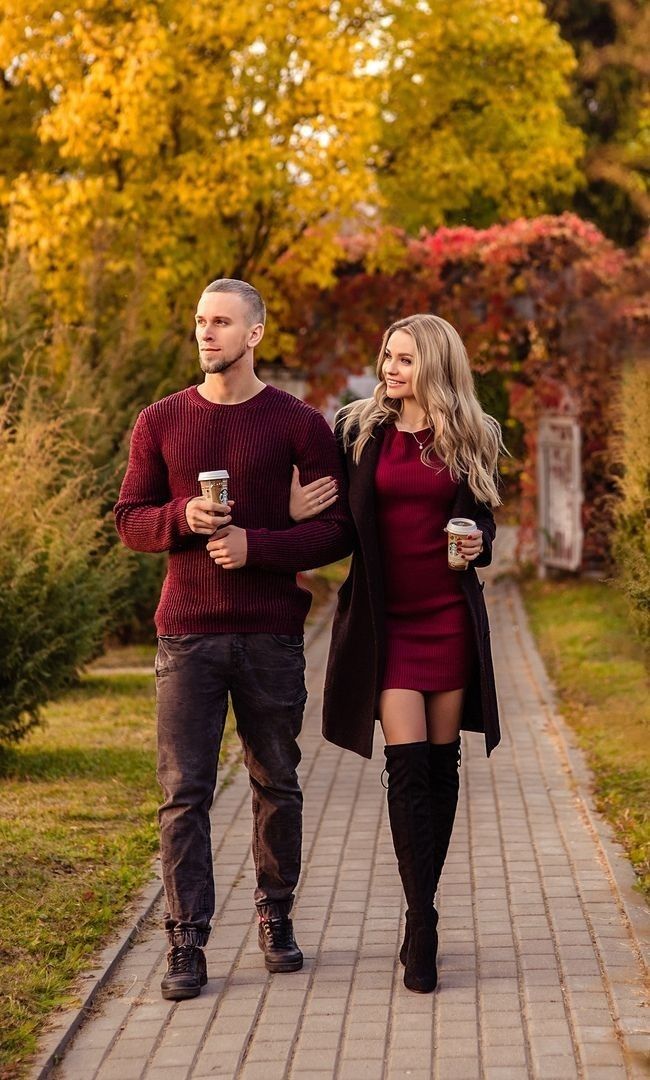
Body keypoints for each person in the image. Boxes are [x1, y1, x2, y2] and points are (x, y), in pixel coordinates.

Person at [114, 278, 351, 1001]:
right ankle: (186, 942)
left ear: (254, 333)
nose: (206, 333)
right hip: (186, 634)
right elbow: (129, 518)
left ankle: (276, 918)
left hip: (271, 634)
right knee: (183, 793)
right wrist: (183, 516)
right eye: (199, 322)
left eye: (221, 322)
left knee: (276, 782)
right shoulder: (159, 421)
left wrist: (261, 547)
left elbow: (338, 528)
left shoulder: (297, 423)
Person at [291, 313, 503, 994]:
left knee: (442, 771)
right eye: (388, 356)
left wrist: (478, 539)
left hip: (447, 617)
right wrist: (292, 520)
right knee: (407, 768)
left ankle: (423, 908)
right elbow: (334, 523)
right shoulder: (356, 431)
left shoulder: (469, 435)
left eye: (405, 359)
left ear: (434, 365)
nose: (391, 369)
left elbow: (484, 518)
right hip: (387, 624)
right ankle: (422, 919)